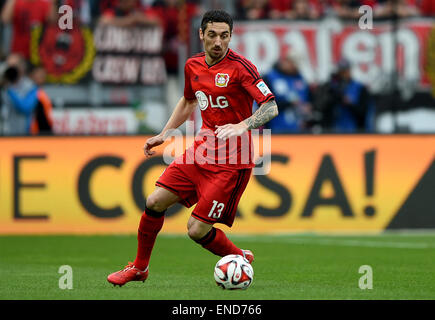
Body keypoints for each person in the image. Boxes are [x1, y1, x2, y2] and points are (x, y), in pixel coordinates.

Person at [107, 9, 278, 286]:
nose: (218, 42)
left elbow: (271, 106)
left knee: (196, 230)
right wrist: (165, 133)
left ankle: (236, 257)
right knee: (154, 201)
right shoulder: (193, 66)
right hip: (201, 151)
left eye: (224, 36)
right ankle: (139, 268)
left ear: (231, 36)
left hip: (232, 163)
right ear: (201, 34)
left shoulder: (241, 68)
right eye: (212, 35)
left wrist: (242, 125)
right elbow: (188, 102)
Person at [315, 59, 373, 133]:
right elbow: (321, 107)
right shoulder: (331, 86)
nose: (343, 74)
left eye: (345, 71)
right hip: (333, 129)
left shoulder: (359, 88)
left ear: (349, 71)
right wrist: (332, 94)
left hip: (354, 129)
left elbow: (363, 111)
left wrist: (349, 103)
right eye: (341, 72)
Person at [263, 50, 315, 133]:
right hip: (274, 130)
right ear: (286, 61)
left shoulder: (300, 78)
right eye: (293, 64)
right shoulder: (269, 78)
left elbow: (307, 100)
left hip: (298, 131)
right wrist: (289, 103)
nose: (295, 68)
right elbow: (263, 104)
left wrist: (308, 107)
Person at [1, 53, 38, 135]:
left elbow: (26, 108)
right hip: (4, 133)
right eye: (8, 66)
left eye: (14, 66)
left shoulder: (31, 86)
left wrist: (9, 90)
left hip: (22, 134)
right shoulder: (3, 84)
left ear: (22, 68)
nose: (11, 69)